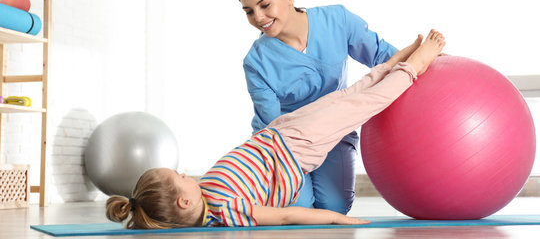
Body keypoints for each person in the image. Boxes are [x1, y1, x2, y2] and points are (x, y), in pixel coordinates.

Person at [106, 30, 446, 228]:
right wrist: (332, 220)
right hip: (297, 148)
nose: (185, 174)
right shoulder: (225, 211)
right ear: (183, 201)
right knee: (361, 105)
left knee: (350, 97)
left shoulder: (206, 193)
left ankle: (399, 58)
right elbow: (283, 216)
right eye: (180, 177)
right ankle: (414, 66)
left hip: (280, 133)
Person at [237, 0, 397, 214]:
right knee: (300, 212)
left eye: (265, 5)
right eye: (248, 11)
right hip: (285, 146)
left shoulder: (337, 20)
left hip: (334, 133)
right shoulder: (256, 62)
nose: (257, 18)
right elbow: (276, 125)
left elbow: (383, 55)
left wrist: (427, 60)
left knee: (334, 209)